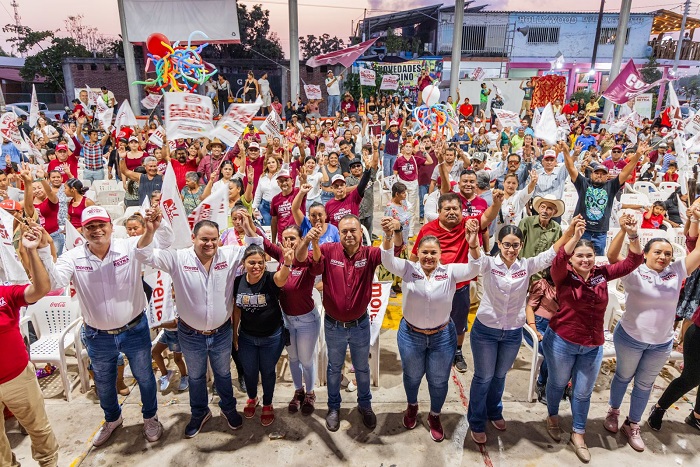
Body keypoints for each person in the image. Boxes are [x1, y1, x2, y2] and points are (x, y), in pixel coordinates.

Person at [45, 206, 169, 447]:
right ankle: (112, 419)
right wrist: (42, 250)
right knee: (103, 381)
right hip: (96, 334)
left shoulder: (130, 246)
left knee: (144, 377)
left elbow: (164, 245)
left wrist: (157, 227)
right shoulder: (72, 257)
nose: (97, 230)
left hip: (134, 329)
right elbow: (53, 282)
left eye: (101, 225)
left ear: (112, 227)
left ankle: (150, 417)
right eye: (90, 227)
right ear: (82, 231)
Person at [136, 210, 262, 438]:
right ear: (193, 238)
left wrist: (249, 226)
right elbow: (144, 255)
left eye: (214, 239)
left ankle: (228, 408)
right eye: (204, 239)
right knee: (195, 376)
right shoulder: (178, 258)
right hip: (190, 333)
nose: (209, 244)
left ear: (220, 240)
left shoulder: (229, 255)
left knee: (223, 374)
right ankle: (199, 413)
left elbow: (257, 250)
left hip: (222, 332)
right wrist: (150, 230)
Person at [466, 219, 580, 444]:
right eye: (506, 244)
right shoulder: (489, 264)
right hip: (486, 331)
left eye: (515, 245)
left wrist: (570, 234)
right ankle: (476, 421)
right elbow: (476, 260)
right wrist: (472, 242)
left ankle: (494, 411)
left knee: (500, 376)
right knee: (483, 377)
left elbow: (552, 253)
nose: (511, 249)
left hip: (511, 332)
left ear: (521, 245)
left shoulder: (526, 266)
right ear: (499, 243)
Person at [542, 216, 643, 463]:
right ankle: (553, 417)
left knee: (583, 392)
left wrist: (631, 234)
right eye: (580, 256)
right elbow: (558, 259)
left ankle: (578, 433)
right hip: (561, 341)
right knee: (556, 383)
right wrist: (574, 237)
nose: (586, 259)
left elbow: (634, 261)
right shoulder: (562, 275)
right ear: (573, 259)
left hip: (592, 345)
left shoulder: (601, 274)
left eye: (589, 255)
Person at [603, 210, 700, 451]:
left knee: (645, 386)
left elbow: (698, 252)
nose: (663, 257)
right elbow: (612, 256)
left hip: (660, 344)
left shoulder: (676, 271)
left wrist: (697, 219)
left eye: (667, 253)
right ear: (645, 254)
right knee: (623, 377)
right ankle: (614, 411)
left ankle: (632, 423)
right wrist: (625, 232)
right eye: (657, 252)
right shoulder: (634, 271)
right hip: (630, 338)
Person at [294, 215, 402, 432]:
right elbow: (299, 260)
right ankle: (334, 408)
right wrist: (307, 241)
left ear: (361, 233)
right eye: (344, 231)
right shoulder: (327, 250)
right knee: (334, 369)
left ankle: (365, 405)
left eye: (353, 230)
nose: (349, 235)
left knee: (362, 369)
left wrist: (393, 232)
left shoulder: (370, 254)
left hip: (360, 325)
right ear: (338, 233)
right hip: (334, 326)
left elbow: (394, 253)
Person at [380, 217, 481, 441]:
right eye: (424, 252)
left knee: (438, 380)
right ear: (419, 252)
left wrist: (473, 243)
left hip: (443, 337)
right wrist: (388, 236)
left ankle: (435, 415)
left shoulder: (451, 271)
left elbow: (475, 267)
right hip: (411, 335)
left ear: (440, 254)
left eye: (433, 253)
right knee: (412, 376)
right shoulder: (408, 269)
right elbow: (387, 261)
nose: (428, 257)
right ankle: (412, 406)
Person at [243, 220, 323, 416]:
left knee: (306, 360)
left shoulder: (308, 259)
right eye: (285, 238)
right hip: (286, 319)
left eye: (292, 238)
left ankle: (310, 393)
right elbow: (260, 240)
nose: (288, 242)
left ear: (300, 239)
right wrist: (246, 225)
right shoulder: (280, 255)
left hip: (306, 320)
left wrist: (310, 242)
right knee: (293, 359)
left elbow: (318, 267)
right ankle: (298, 392)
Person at [0, 224, 59, 467]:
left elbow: (41, 289)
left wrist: (32, 251)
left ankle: (49, 463)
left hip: (17, 378)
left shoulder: (4, 293)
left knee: (39, 429)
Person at [232, 242, 292, 426]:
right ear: (244, 263)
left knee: (267, 372)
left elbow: (282, 278)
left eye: (260, 262)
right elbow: (236, 309)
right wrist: (234, 334)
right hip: (247, 337)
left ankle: (267, 403)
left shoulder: (270, 279)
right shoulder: (238, 281)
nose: (256, 266)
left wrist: (288, 263)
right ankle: (252, 398)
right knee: (249, 372)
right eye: (252, 263)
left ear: (265, 263)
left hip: (271, 337)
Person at [564, 141, 646, 255]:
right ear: (592, 174)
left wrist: (637, 156)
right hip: (581, 229)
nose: (599, 175)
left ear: (607, 176)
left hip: (600, 232)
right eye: (597, 172)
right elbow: (570, 168)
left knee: (598, 261)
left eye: (603, 173)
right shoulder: (583, 183)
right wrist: (565, 151)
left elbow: (625, 171)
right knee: (577, 257)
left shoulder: (611, 186)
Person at [393, 140, 433, 236]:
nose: (408, 148)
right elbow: (395, 172)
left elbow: (430, 161)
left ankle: (410, 230)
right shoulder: (399, 160)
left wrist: (424, 152)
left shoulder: (416, 159)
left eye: (410, 146)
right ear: (403, 148)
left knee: (412, 208)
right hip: (403, 184)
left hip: (413, 184)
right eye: (406, 146)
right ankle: (402, 228)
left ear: (412, 149)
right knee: (403, 207)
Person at [325, 153, 376, 228]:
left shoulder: (353, 197)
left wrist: (367, 170)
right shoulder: (328, 205)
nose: (339, 187)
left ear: (345, 186)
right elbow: (325, 223)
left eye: (342, 185)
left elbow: (363, 184)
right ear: (332, 188)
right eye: (336, 186)